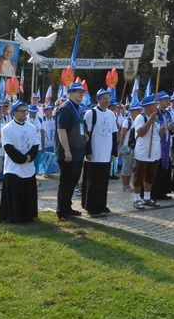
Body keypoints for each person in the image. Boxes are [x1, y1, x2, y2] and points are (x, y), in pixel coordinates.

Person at [0, 101, 40, 224]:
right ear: (14, 112)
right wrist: (21, 159)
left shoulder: (31, 127)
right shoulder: (7, 129)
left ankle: (29, 215)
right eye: (21, 111)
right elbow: (9, 148)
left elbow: (35, 145)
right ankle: (12, 216)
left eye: (25, 111)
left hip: (28, 167)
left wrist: (29, 157)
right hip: (14, 168)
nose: (24, 113)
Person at [81, 88, 118, 217]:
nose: (107, 101)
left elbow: (114, 134)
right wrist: (88, 151)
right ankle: (91, 206)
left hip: (106, 153)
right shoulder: (91, 113)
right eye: (104, 98)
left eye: (108, 98)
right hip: (95, 153)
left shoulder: (111, 114)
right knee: (93, 181)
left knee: (103, 181)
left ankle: (102, 204)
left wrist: (114, 152)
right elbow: (86, 134)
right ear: (98, 100)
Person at [54, 82, 87, 221]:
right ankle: (61, 211)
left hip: (77, 152)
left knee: (73, 182)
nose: (81, 94)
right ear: (70, 93)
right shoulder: (66, 108)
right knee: (66, 182)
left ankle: (67, 207)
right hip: (68, 153)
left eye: (82, 91)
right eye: (78, 91)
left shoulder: (77, 108)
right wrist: (67, 151)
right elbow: (61, 130)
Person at [132, 96, 161, 209]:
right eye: (155, 105)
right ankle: (136, 198)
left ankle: (147, 197)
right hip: (143, 151)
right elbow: (141, 132)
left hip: (154, 152)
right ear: (149, 106)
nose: (157, 107)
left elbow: (155, 135)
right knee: (139, 175)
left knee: (150, 175)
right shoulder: (141, 117)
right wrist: (150, 121)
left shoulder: (155, 118)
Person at [119, 103, 141, 192]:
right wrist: (121, 148)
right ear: (132, 111)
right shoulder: (127, 121)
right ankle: (125, 185)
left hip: (134, 147)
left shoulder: (137, 121)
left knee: (131, 167)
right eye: (137, 110)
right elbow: (122, 135)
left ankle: (128, 184)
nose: (139, 112)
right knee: (126, 167)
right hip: (126, 147)